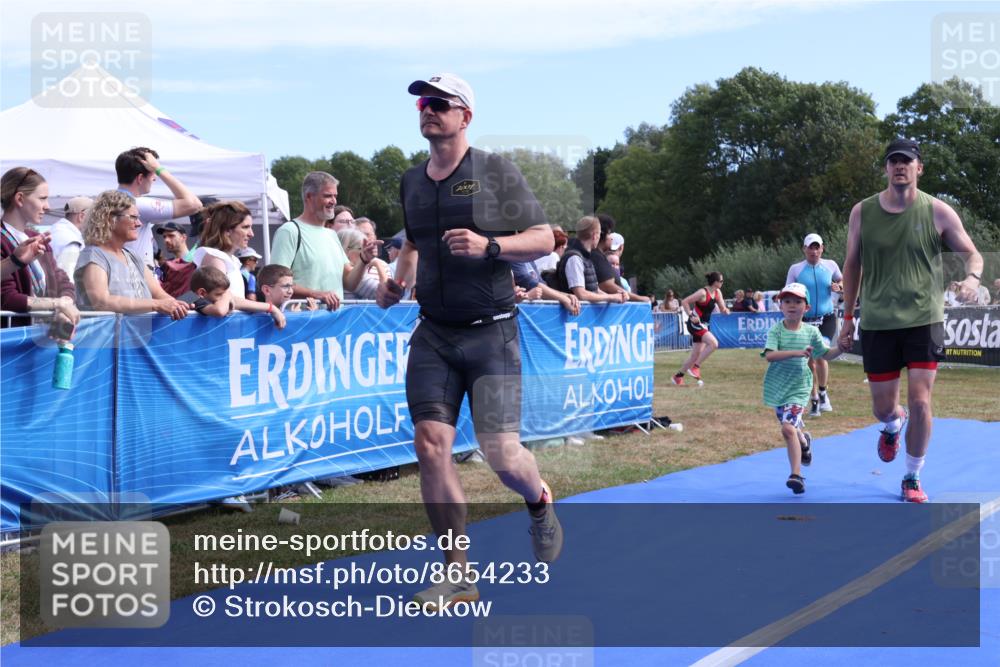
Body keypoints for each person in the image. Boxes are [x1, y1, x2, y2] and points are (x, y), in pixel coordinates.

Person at [376, 72, 562, 610]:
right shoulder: (412, 180)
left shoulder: (494, 171)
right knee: (431, 445)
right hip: (434, 333)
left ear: (466, 116)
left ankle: (538, 497)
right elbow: (412, 242)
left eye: (440, 103)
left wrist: (489, 246)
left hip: (492, 334)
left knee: (502, 455)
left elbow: (545, 238)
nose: (427, 110)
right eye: (422, 104)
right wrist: (397, 283)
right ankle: (457, 573)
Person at [838, 138, 983, 503]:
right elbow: (852, 265)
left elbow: (972, 254)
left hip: (924, 319)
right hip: (878, 322)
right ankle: (891, 425)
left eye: (907, 161)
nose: (900, 166)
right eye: (893, 161)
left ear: (919, 168)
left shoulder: (937, 211)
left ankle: (912, 476)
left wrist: (972, 279)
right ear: (886, 169)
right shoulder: (862, 212)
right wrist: (848, 317)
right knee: (884, 407)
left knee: (921, 401)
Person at [762, 283, 843, 494]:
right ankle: (804, 440)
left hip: (800, 388)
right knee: (793, 429)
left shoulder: (811, 332)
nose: (791, 305)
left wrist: (841, 348)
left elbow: (825, 354)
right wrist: (797, 353)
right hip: (778, 387)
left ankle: (796, 475)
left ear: (806, 308)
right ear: (780, 306)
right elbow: (770, 355)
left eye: (797, 301)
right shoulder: (776, 331)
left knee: (787, 429)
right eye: (787, 301)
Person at [269, 171, 377, 310]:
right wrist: (316, 295)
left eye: (335, 196)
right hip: (303, 324)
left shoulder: (331, 235)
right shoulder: (289, 231)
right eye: (327, 196)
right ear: (309, 196)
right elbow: (276, 283)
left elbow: (349, 283)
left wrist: (363, 260)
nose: (334, 201)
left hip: (333, 324)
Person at [74, 190, 189, 319]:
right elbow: (101, 301)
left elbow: (158, 293)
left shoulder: (132, 256)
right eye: (133, 217)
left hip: (139, 338)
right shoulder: (93, 256)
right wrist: (156, 305)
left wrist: (177, 305)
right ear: (110, 219)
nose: (139, 223)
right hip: (109, 338)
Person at [1, 167, 79, 332]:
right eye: (42, 198)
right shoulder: (2, 239)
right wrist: (57, 304)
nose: (47, 206)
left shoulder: (37, 237)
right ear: (20, 199)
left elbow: (64, 283)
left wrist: (64, 308)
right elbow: (6, 298)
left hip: (39, 337)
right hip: (13, 342)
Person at [191, 201, 285, 328]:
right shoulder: (215, 258)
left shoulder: (228, 259)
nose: (251, 233)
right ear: (227, 230)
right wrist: (270, 307)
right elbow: (223, 300)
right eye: (245, 227)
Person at [115, 147, 202, 270]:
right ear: (140, 178)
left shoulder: (107, 203)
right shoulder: (137, 204)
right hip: (136, 279)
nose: (155, 179)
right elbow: (194, 204)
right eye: (153, 175)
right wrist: (159, 169)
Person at [787, 233, 844, 417]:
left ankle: (823, 393)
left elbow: (842, 280)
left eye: (817, 247)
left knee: (821, 355)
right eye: (810, 247)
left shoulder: (830, 265)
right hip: (805, 321)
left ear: (822, 248)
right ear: (804, 249)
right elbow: (787, 292)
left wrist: (839, 286)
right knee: (809, 362)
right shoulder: (796, 269)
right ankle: (814, 400)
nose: (814, 251)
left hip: (826, 318)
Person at [672, 272, 730, 385]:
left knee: (695, 355)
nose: (723, 283)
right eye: (721, 281)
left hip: (704, 325)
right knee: (714, 344)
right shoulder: (702, 292)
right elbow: (685, 301)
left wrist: (726, 311)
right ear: (715, 282)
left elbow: (723, 308)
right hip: (695, 323)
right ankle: (695, 367)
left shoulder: (718, 293)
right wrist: (690, 315)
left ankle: (677, 377)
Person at [557, 215, 627, 304]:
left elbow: (594, 289)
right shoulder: (574, 258)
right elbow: (581, 294)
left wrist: (617, 296)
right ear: (594, 236)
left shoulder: (585, 258)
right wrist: (612, 297)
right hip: (575, 316)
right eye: (599, 234)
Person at [50, 196, 93, 281]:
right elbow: (68, 279)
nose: (96, 221)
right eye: (94, 216)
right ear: (81, 217)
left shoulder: (55, 229)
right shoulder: (71, 242)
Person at [337, 227, 387, 300]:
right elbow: (386, 294)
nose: (365, 252)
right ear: (347, 250)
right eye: (361, 249)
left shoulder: (337, 269)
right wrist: (378, 264)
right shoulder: (353, 274)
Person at [156, 221, 195, 297]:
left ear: (183, 237)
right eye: (164, 237)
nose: (166, 240)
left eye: (171, 236)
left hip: (193, 306)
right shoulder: (165, 266)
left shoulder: (196, 260)